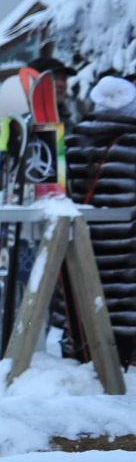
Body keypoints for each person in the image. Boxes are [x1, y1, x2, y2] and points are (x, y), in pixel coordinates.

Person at [63, 74, 136, 366]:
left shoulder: (69, 141)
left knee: (83, 326)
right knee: (123, 347)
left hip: (80, 253)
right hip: (127, 265)